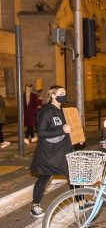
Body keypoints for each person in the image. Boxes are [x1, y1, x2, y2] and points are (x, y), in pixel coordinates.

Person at [30, 86, 73, 217]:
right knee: (44, 176)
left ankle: (82, 202)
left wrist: (76, 138)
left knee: (72, 173)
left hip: (62, 149)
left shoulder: (62, 111)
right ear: (53, 95)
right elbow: (41, 133)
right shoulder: (46, 111)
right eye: (61, 93)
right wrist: (62, 131)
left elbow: (66, 129)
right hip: (48, 152)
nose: (64, 95)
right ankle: (35, 206)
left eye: (65, 92)